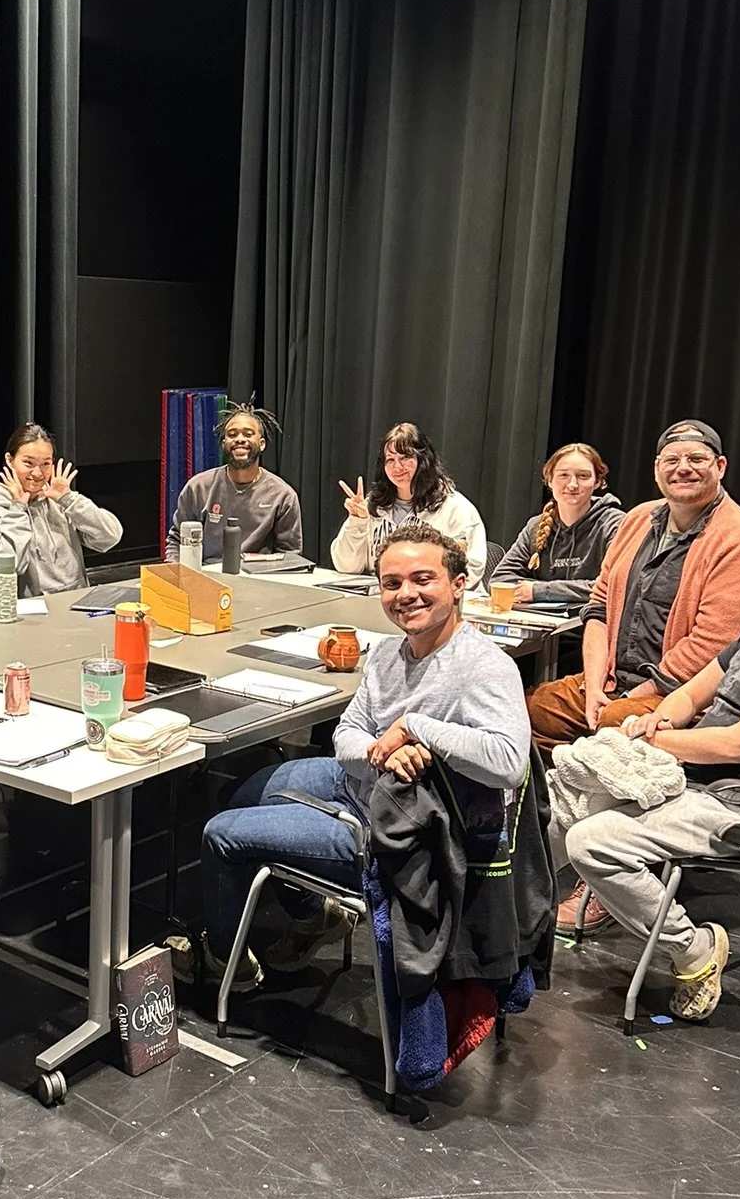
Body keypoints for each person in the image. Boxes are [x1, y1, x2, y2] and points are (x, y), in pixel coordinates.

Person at [188, 525, 530, 989]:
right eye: (392, 583)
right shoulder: (388, 652)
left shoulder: (485, 666)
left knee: (221, 834)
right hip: (361, 781)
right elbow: (347, 733)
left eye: (422, 579)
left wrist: (416, 728)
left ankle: (225, 965)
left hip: (396, 828)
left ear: (458, 584)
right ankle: (314, 915)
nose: (406, 593)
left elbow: (510, 761)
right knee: (243, 792)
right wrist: (379, 754)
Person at [556, 524, 740, 1020]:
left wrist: (651, 738)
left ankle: (694, 949)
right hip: (692, 785)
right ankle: (516, 924)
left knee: (590, 840)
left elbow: (735, 746)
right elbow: (691, 694)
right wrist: (660, 716)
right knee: (563, 797)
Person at [526, 419, 740, 767]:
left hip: (681, 696)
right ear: (657, 470)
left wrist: (635, 695)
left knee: (613, 725)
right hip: (611, 684)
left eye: (696, 459)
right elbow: (599, 608)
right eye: (672, 460)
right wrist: (594, 687)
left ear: (720, 466)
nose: (683, 468)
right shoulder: (638, 519)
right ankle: (547, 806)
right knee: (527, 711)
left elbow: (716, 643)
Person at [330, 422, 488, 587]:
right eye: (390, 459)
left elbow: (469, 571)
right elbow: (346, 567)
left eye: (405, 457)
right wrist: (358, 521)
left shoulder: (456, 508)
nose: (397, 466)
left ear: (423, 460)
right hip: (380, 600)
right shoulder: (372, 506)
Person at [0, 422, 122, 594]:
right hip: (30, 611)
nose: (38, 473)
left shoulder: (60, 503)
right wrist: (17, 509)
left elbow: (110, 537)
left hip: (76, 601)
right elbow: (8, 566)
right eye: (28, 463)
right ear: (10, 460)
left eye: (45, 464)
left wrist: (69, 499)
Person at [165, 400, 303, 562]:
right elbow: (177, 541)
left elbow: (290, 555)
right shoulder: (198, 487)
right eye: (232, 434)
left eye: (248, 434)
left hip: (257, 580)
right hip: (205, 577)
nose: (239, 439)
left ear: (262, 444)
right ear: (224, 444)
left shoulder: (283, 495)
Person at [490, 444, 623, 606]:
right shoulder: (536, 526)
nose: (572, 484)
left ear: (597, 482)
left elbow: (613, 586)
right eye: (563, 475)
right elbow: (500, 579)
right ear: (550, 480)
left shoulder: (615, 524)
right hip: (540, 624)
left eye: (583, 476)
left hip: (590, 624)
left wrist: (540, 591)